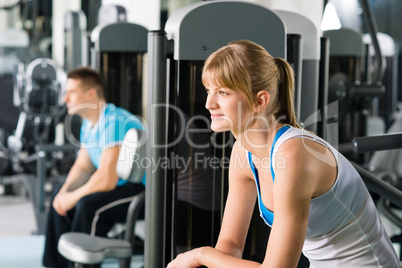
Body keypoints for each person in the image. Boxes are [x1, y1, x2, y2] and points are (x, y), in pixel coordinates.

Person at [167, 40, 399, 267]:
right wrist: (204, 260)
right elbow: (230, 245)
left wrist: (201, 255)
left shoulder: (293, 155)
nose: (209, 103)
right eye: (209, 90)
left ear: (260, 100)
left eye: (223, 92)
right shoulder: (243, 152)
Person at [42, 67, 145, 268]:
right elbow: (83, 166)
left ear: (90, 94)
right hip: (117, 187)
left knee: (88, 206)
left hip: (141, 192)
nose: (65, 99)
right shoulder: (89, 125)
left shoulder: (114, 121)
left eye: (71, 92)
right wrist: (64, 194)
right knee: (59, 197)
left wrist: (73, 197)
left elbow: (107, 179)